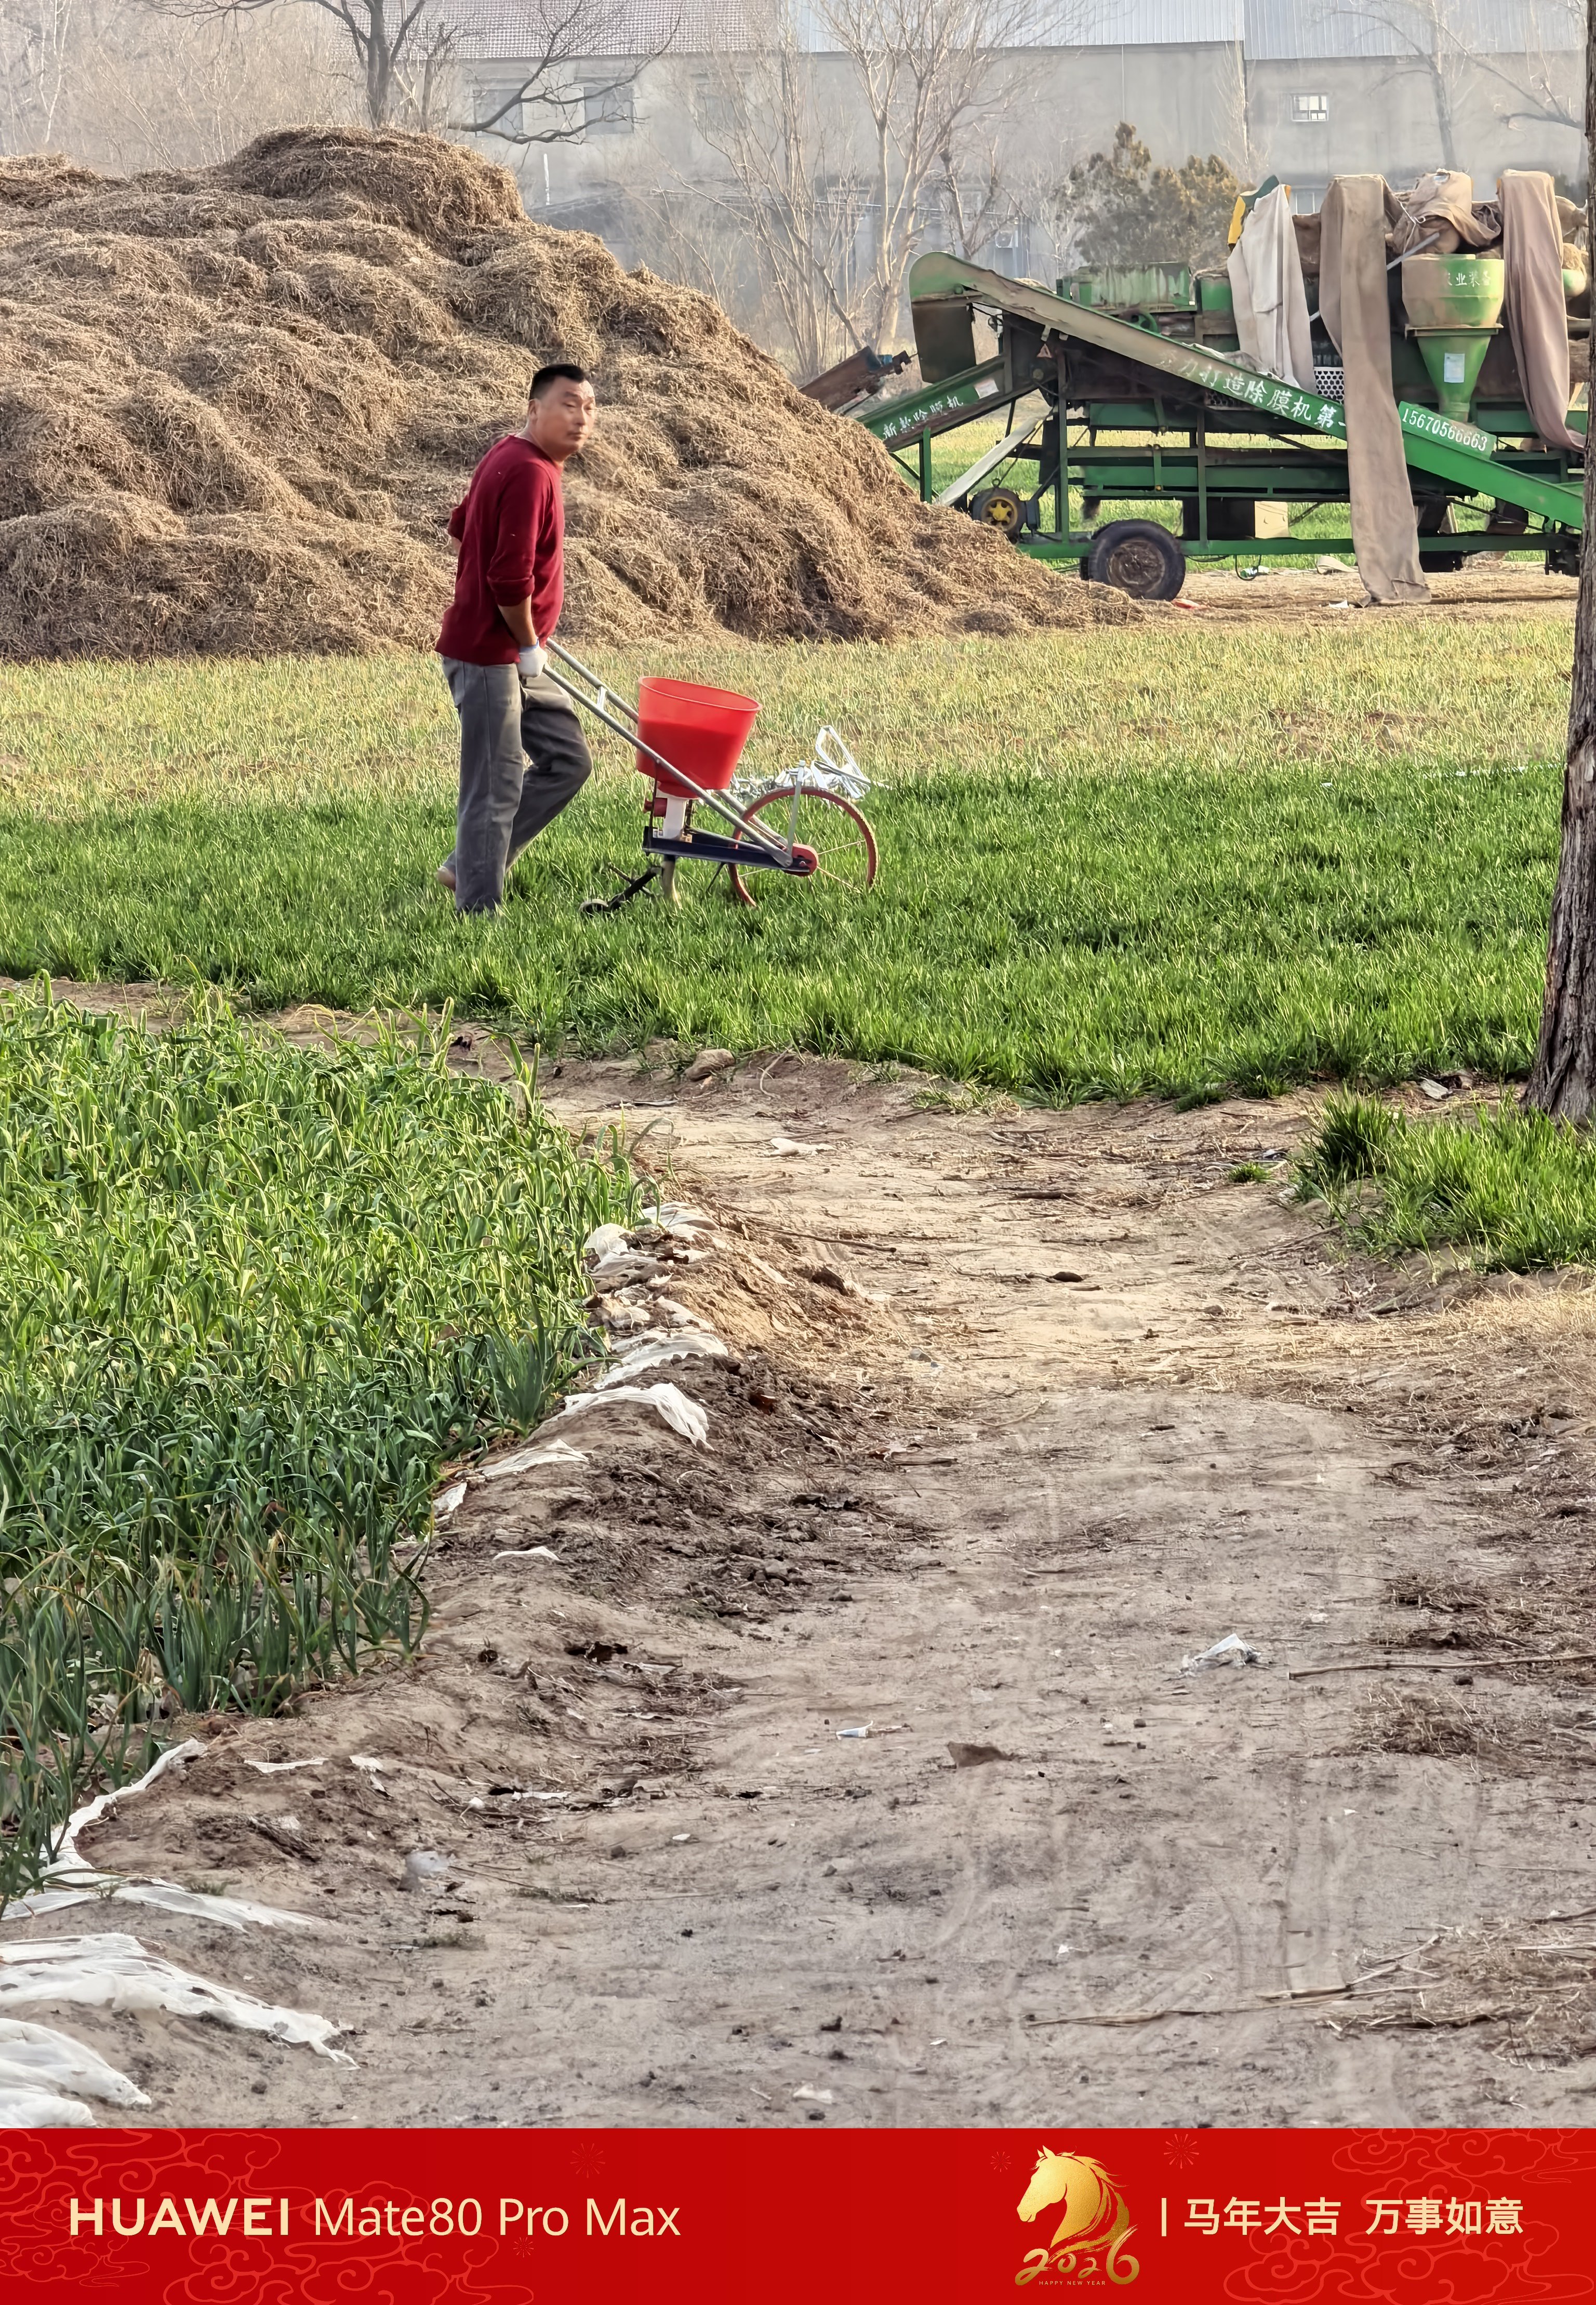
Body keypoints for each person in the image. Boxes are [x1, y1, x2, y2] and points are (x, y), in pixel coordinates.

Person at [435, 363, 597, 912]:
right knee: (496, 781)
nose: (581, 418)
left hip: (512, 653)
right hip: (491, 656)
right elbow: (509, 579)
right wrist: (528, 643)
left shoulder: (513, 455)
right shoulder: (528, 471)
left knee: (567, 758)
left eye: (589, 408)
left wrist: (528, 645)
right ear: (534, 410)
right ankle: (479, 909)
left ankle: (468, 861)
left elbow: (461, 525)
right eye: (568, 404)